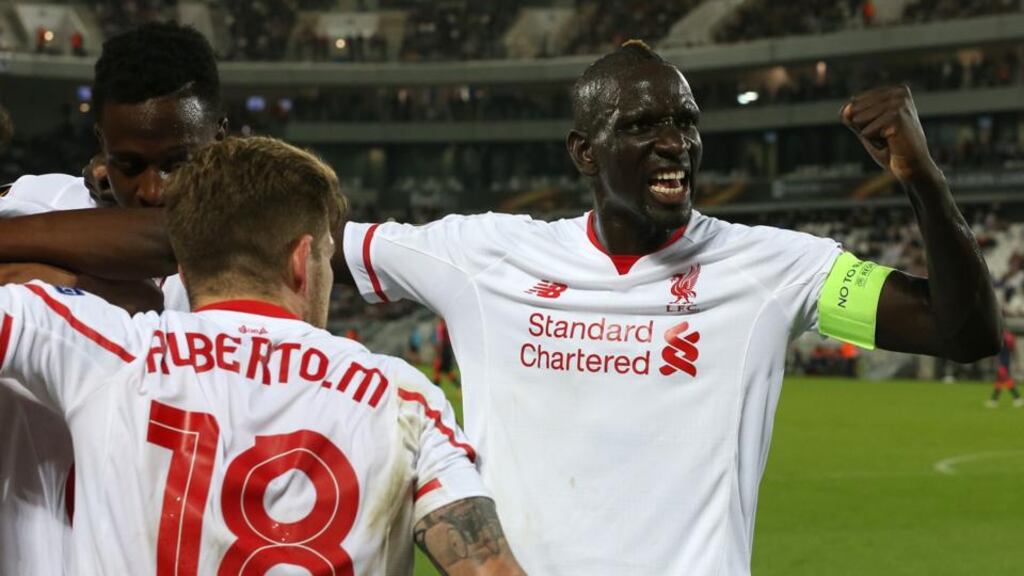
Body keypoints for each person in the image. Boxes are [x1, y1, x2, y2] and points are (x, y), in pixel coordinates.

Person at [0, 41, 1001, 575]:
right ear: (583, 152)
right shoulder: (481, 254)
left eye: (688, 125)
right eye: (644, 123)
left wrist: (920, 179)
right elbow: (258, 245)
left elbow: (962, 332)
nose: (676, 144)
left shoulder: (777, 263)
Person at [0, 136, 525, 575]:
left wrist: (59, 279)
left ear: (185, 265)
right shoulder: (402, 398)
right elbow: (487, 567)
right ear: (302, 260)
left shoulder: (109, 353)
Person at [0, 22, 225, 575]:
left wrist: (55, 284)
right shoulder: (37, 202)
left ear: (220, 137)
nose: (154, 190)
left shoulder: (250, 241)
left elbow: (169, 243)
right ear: (101, 145)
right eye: (131, 165)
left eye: (179, 161)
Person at [988, 327, 1021, 408]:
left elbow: (997, 352)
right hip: (1005, 362)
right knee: (1000, 382)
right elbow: (1013, 351)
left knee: (1006, 381)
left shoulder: (1002, 338)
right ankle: (993, 400)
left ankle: (1017, 398)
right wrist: (1017, 362)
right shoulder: (1008, 337)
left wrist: (997, 363)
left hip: (1002, 363)